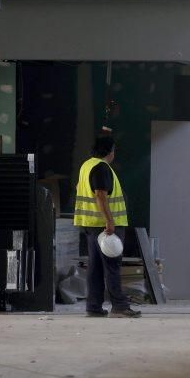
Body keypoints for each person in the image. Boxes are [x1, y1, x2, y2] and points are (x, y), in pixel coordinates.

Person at [74, 135, 141, 318]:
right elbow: (100, 195)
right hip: (105, 227)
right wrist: (109, 221)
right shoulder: (102, 168)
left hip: (90, 225)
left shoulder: (86, 166)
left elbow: (79, 187)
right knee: (112, 266)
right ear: (111, 151)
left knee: (95, 267)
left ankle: (93, 307)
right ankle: (119, 306)